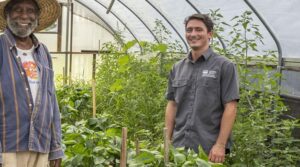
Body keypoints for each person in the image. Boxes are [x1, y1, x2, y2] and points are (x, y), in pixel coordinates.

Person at [165, 13, 239, 163]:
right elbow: (172, 104)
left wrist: (220, 144)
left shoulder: (224, 66)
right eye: (189, 30)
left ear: (209, 34)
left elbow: (231, 107)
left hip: (209, 150)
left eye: (198, 29)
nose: (193, 34)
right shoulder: (177, 68)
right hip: (179, 147)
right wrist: (167, 140)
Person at [0, 0, 63, 166]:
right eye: (17, 10)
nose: (24, 15)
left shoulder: (43, 52)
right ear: (7, 15)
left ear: (37, 17)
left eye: (30, 11)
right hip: (7, 146)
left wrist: (56, 146)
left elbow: (51, 101)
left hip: (40, 143)